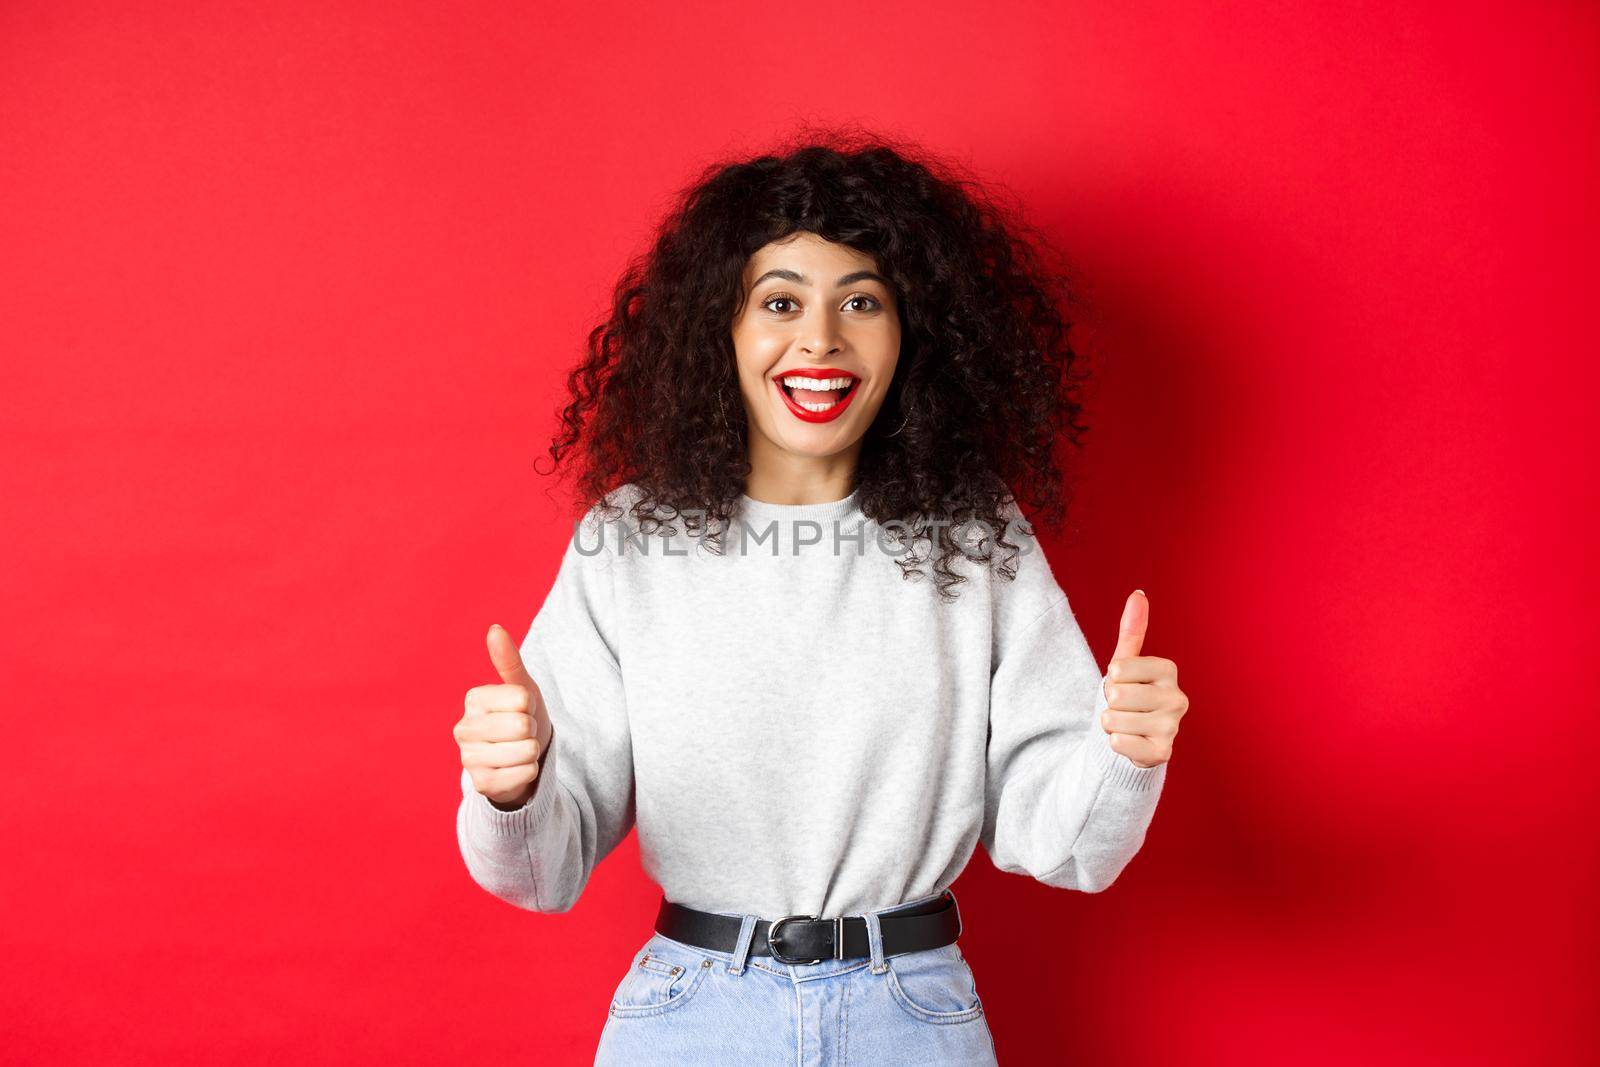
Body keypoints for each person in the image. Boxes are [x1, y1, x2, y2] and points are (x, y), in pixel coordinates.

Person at [452, 130, 1191, 1065]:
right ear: (719, 326)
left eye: (861, 301)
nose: (821, 339)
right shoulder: (629, 539)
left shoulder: (973, 535)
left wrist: (1123, 752)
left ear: (910, 332)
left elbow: (1067, 844)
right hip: (693, 1018)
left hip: (912, 1016)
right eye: (780, 301)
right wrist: (512, 788)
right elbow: (541, 871)